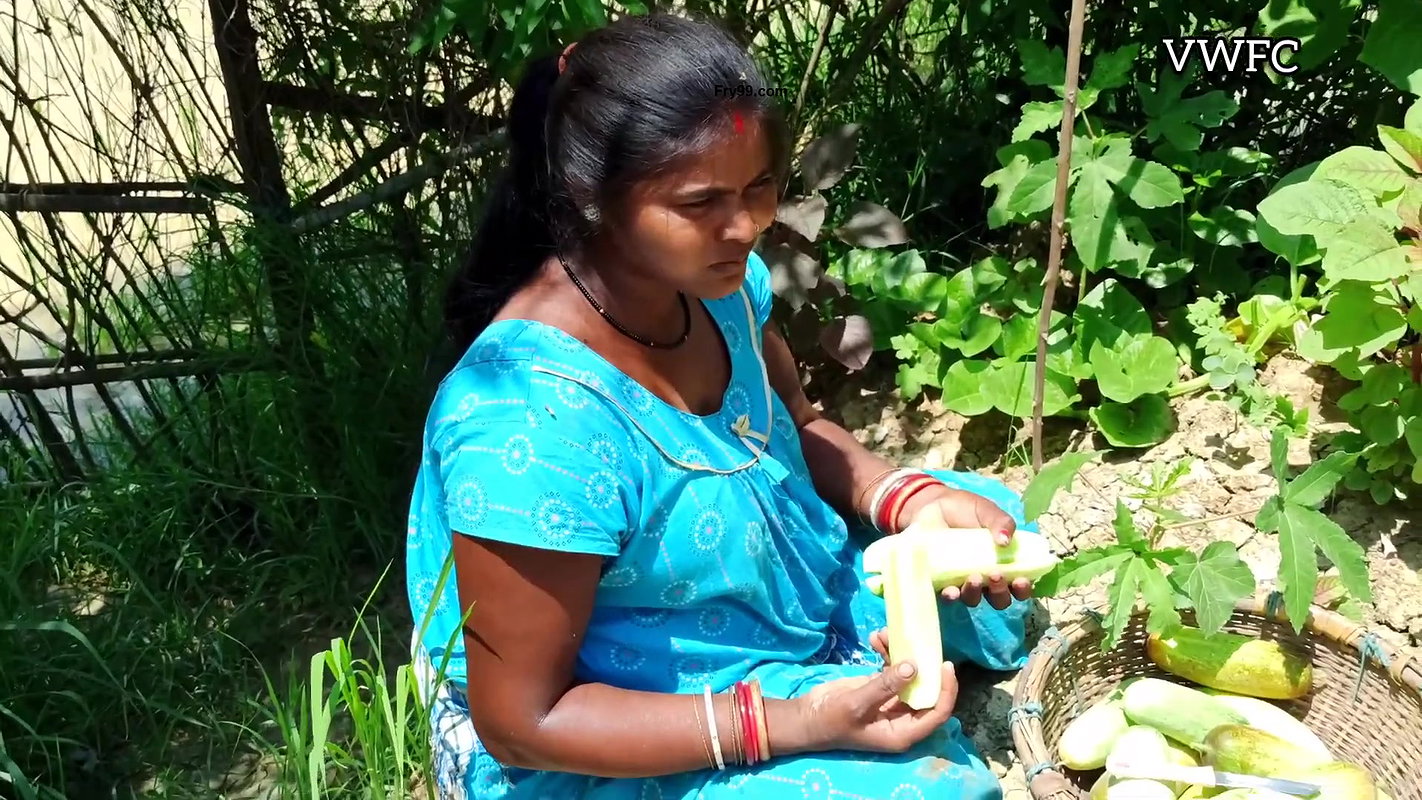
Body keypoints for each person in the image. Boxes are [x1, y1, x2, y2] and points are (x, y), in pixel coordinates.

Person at [404, 12, 1040, 800]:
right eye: (700, 201)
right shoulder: (529, 427)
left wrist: (909, 499)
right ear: (589, 193)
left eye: (759, 188)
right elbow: (525, 719)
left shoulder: (723, 289)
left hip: (763, 588)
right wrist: (798, 721)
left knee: (990, 525)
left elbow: (794, 425)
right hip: (613, 713)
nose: (744, 227)